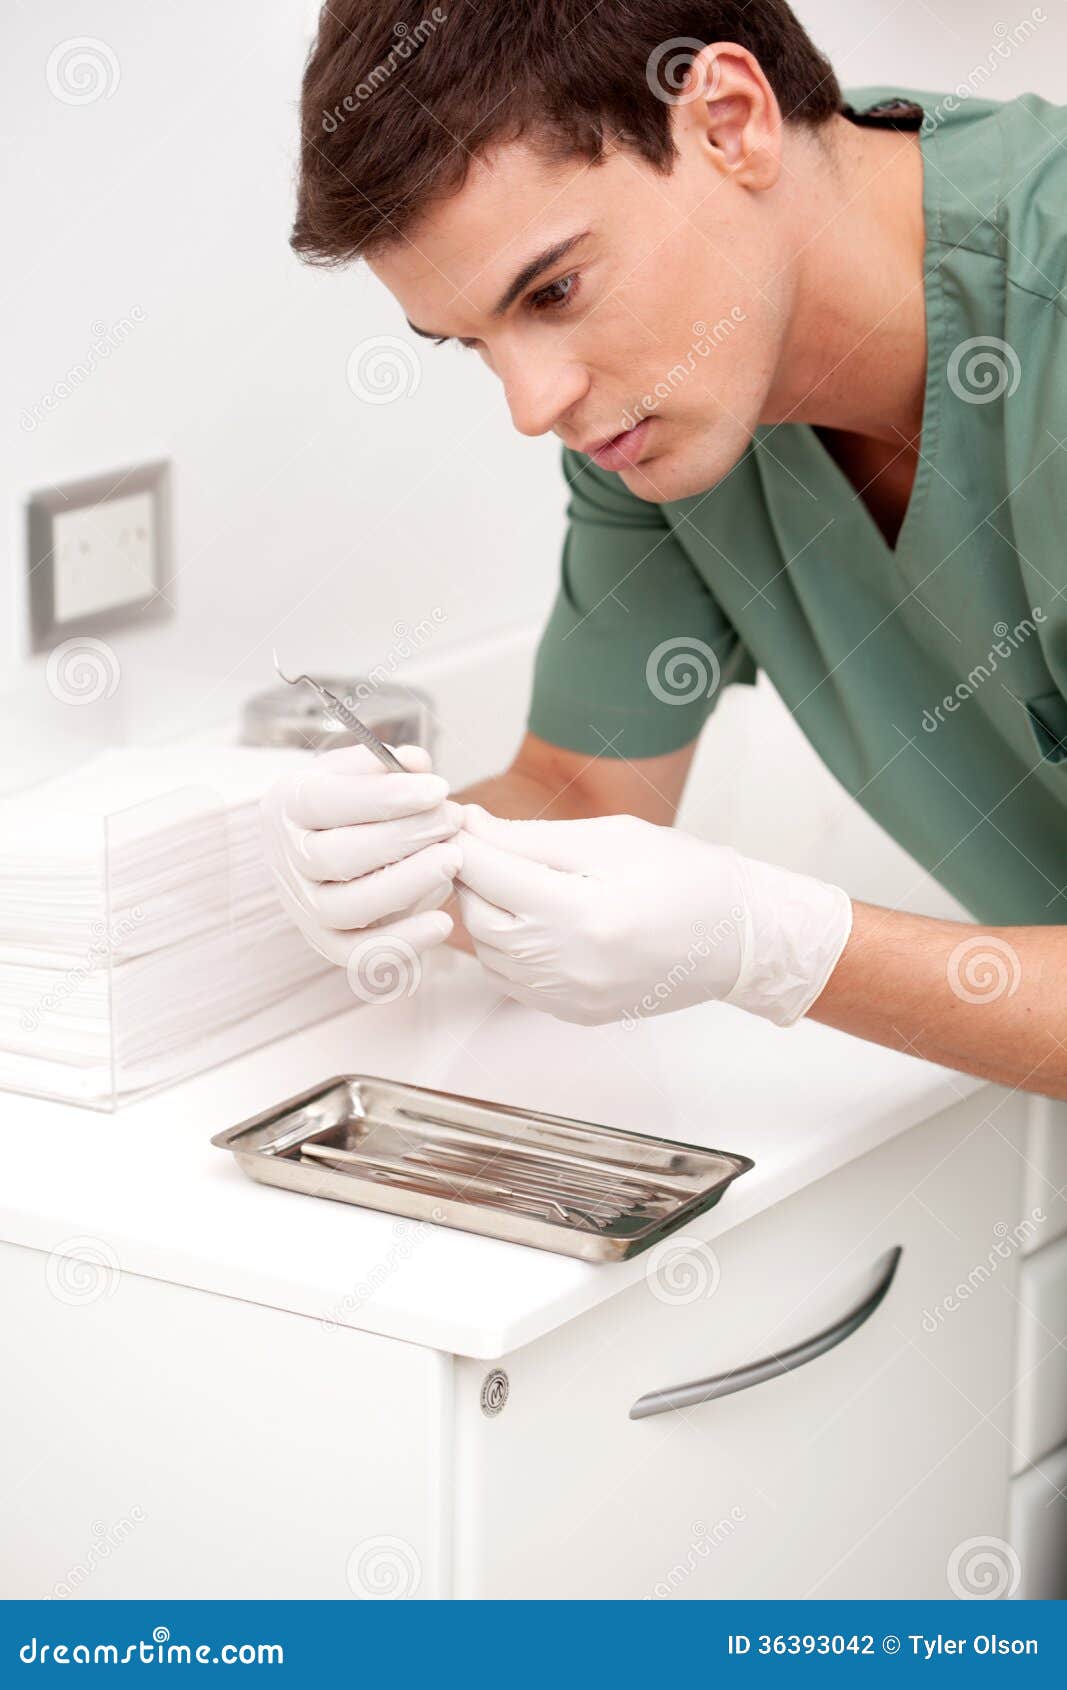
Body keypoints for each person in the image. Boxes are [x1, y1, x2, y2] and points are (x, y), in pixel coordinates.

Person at [261, 0, 1067, 1098]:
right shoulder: (670, 425)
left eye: (553, 291)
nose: (533, 405)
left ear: (729, 122)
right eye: (470, 345)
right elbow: (584, 791)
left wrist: (773, 944)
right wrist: (412, 861)